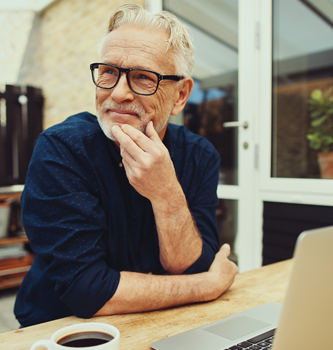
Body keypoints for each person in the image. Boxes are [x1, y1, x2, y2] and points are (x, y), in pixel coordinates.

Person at [14, 4, 238, 327]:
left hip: (168, 323)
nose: (118, 93)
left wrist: (167, 195)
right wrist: (207, 286)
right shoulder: (61, 151)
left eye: (143, 77)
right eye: (108, 71)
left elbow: (191, 265)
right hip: (64, 331)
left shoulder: (199, 155)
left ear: (180, 95)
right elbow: (88, 291)